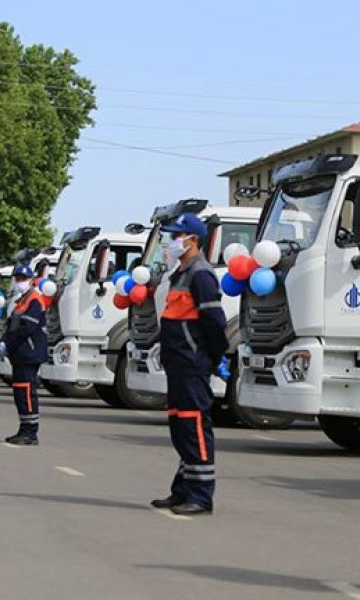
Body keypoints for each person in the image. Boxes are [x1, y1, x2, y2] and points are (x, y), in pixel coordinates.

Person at [150, 213, 228, 516]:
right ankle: (182, 489)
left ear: (192, 240)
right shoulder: (179, 274)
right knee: (180, 426)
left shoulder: (201, 274)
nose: (171, 243)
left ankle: (201, 495)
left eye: (176, 237)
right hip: (177, 364)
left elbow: (214, 323)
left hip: (192, 363)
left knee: (194, 425)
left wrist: (213, 358)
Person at [0, 264, 48, 446]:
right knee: (19, 392)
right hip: (20, 353)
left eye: (23, 279)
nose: (20, 282)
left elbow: (27, 327)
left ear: (31, 279)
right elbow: (11, 324)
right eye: (17, 279)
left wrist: (8, 342)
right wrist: (3, 340)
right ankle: (24, 427)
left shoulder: (35, 299)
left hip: (30, 352)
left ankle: (31, 432)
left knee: (26, 392)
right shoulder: (21, 301)